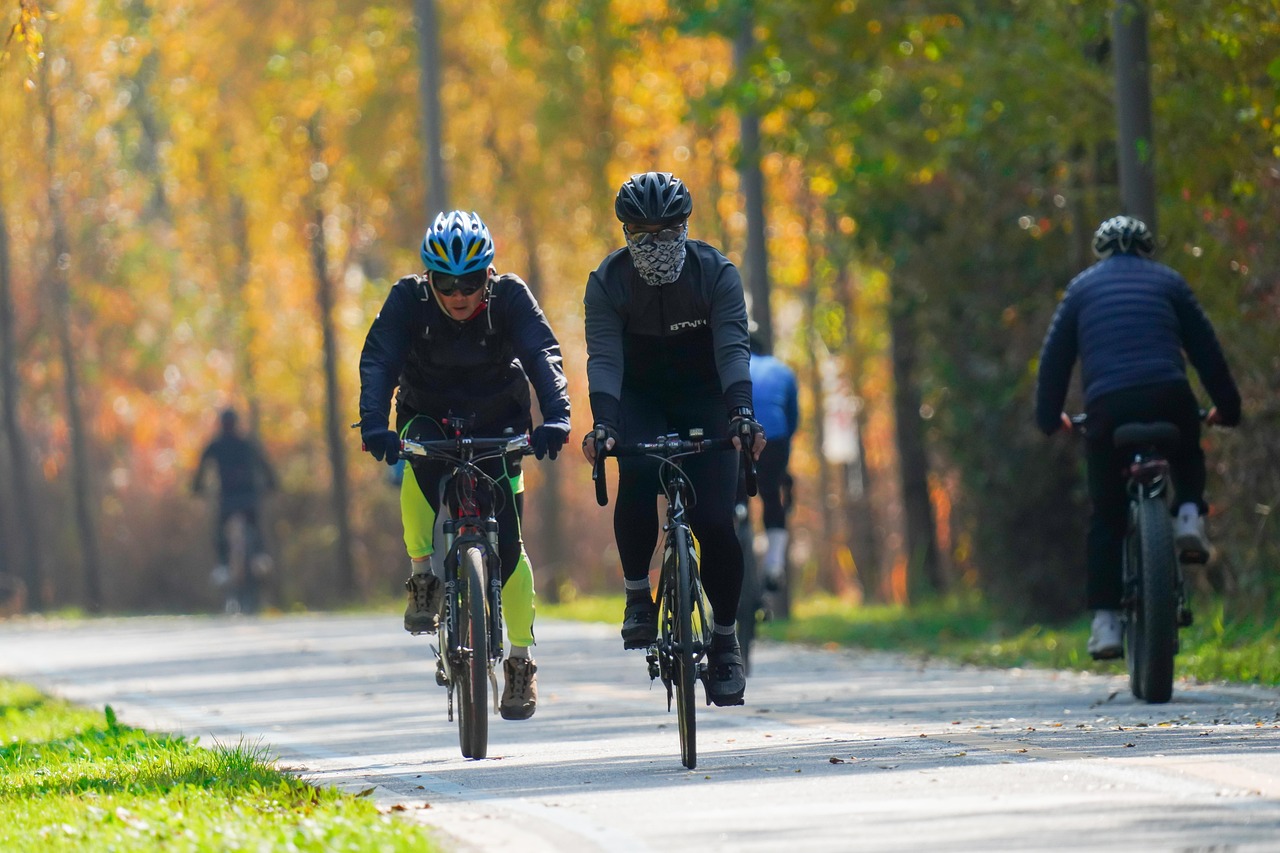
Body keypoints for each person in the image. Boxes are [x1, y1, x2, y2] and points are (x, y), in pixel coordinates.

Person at [357, 210, 571, 721]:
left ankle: (520, 662)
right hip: (427, 415)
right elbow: (380, 360)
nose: (458, 294)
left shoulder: (512, 298)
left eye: (470, 282)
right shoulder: (406, 300)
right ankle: (423, 577)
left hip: (498, 419)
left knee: (512, 545)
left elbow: (544, 354)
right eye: (446, 282)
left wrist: (558, 416)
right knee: (417, 466)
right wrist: (372, 423)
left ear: (489, 277)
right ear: (428, 277)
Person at [582, 171, 765, 707]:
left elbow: (733, 349)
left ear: (686, 228)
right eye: (642, 234)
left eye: (667, 233)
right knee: (636, 479)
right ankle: (639, 594)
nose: (655, 245)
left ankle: (726, 644)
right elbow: (605, 359)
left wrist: (741, 416)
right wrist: (605, 424)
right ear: (625, 234)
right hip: (638, 397)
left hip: (705, 395)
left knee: (714, 520)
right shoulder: (608, 282)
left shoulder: (716, 274)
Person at [1035, 215, 1241, 660]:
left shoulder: (1081, 289)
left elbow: (1054, 362)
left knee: (1107, 514)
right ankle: (1188, 515)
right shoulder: (1169, 282)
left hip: (1109, 407)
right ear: (1145, 248)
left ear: (1101, 250)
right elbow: (1206, 351)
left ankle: (1106, 622)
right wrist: (1228, 407)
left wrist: (1050, 419)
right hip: (1170, 395)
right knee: (1187, 449)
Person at [191, 407, 277, 581]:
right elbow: (265, 466)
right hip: (248, 496)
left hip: (227, 499)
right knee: (256, 526)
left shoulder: (216, 445)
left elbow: (201, 470)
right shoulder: (247, 443)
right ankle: (259, 556)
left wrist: (197, 488)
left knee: (220, 531)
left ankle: (223, 564)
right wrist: (271, 484)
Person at [748, 332, 800, 591]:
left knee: (731, 498)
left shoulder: (730, 367)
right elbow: (791, 423)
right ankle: (774, 565)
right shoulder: (783, 371)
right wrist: (782, 467)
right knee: (771, 496)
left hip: (735, 437)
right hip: (773, 439)